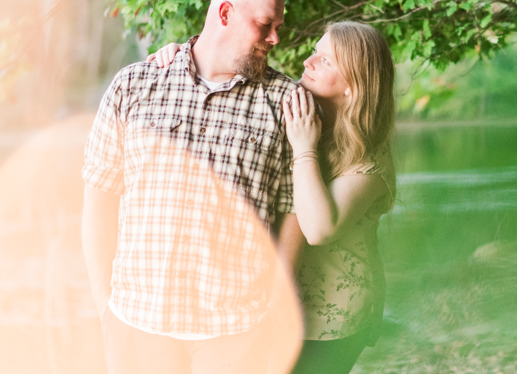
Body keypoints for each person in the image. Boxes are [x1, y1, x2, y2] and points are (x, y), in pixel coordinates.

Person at [81, 0, 305, 374]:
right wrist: (106, 310)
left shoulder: (285, 102)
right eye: (264, 24)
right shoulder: (134, 86)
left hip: (237, 332)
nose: (274, 38)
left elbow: (293, 212)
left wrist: (276, 309)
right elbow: (99, 200)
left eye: (277, 27)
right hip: (136, 325)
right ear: (224, 14)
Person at [151, 21, 396, 374]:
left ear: (353, 85)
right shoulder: (299, 106)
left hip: (330, 321)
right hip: (271, 303)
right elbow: (237, 76)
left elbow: (317, 229)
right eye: (315, 51)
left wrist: (304, 148)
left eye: (325, 61)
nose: (308, 62)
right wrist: (182, 57)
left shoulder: (369, 158)